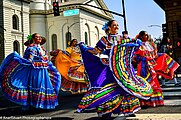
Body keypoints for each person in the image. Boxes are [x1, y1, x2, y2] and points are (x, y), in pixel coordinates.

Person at [75, 20, 153, 119]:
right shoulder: (104, 39)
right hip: (108, 67)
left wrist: (137, 43)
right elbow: (96, 51)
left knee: (126, 86)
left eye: (117, 25)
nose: (116, 27)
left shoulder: (122, 38)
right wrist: (85, 48)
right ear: (109, 27)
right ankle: (106, 112)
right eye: (114, 25)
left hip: (121, 67)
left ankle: (128, 109)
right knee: (105, 85)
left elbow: (132, 47)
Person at [0, 33, 61, 110]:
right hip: (35, 70)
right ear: (33, 39)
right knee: (37, 86)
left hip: (43, 70)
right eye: (36, 37)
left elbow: (45, 59)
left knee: (44, 85)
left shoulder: (42, 48)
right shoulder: (31, 48)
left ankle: (42, 104)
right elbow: (30, 58)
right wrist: (27, 61)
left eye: (40, 37)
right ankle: (35, 104)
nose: (39, 38)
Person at [134, 31, 180, 108]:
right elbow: (135, 57)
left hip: (151, 67)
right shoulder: (138, 45)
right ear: (141, 37)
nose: (147, 36)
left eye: (147, 35)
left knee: (154, 83)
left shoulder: (150, 45)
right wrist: (144, 59)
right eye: (145, 35)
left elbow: (155, 55)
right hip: (143, 67)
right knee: (144, 83)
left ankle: (154, 102)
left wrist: (162, 56)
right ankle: (144, 102)